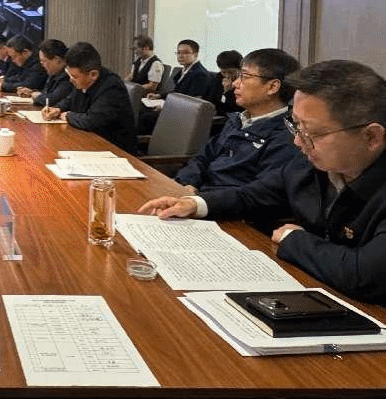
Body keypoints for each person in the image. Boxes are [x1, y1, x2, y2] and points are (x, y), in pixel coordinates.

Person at [141, 60, 386, 303]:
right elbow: (252, 195)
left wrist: (294, 239)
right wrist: (196, 204)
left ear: (371, 137)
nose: (297, 142)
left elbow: (363, 275)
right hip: (319, 290)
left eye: (312, 133)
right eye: (296, 126)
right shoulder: (309, 164)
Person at [173, 48, 301, 192]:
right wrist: (188, 183)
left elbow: (260, 193)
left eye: (245, 76)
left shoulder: (285, 137)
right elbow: (202, 157)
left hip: (217, 202)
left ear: (272, 87)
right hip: (195, 195)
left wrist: (201, 201)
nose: (235, 83)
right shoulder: (238, 120)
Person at [42, 41, 137, 154]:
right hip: (88, 143)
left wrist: (67, 115)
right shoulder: (83, 81)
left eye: (74, 76)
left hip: (114, 151)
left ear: (93, 74)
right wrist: (58, 109)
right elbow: (70, 100)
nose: (70, 80)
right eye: (69, 75)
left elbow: (91, 121)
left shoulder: (112, 87)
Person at [16, 38, 73, 108]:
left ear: (57, 59)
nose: (42, 65)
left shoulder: (68, 76)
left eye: (44, 61)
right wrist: (31, 92)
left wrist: (34, 94)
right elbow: (46, 93)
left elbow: (50, 101)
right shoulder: (54, 73)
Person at [206, 50, 244, 115]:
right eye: (223, 72)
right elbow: (210, 103)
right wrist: (224, 92)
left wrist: (228, 92)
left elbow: (238, 109)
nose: (227, 75)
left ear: (240, 69)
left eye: (231, 72)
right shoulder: (216, 79)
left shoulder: (244, 82)